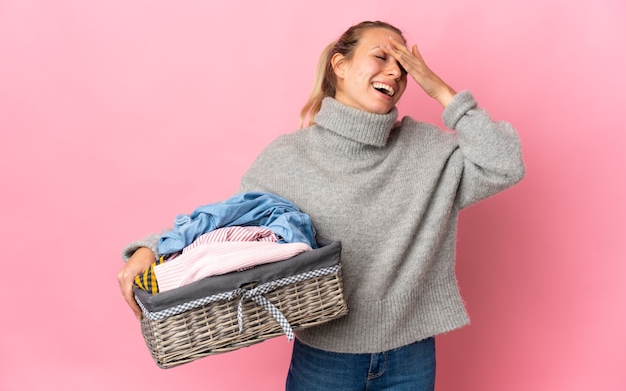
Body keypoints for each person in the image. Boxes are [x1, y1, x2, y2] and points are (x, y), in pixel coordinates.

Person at [117, 20, 525, 390]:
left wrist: (441, 91)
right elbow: (227, 225)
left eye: (403, 66)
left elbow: (505, 164)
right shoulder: (290, 157)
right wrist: (153, 247)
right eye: (382, 57)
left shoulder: (430, 151)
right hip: (324, 356)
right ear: (339, 65)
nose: (396, 73)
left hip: (411, 355)